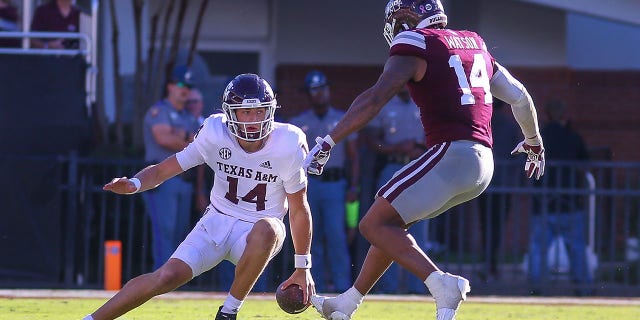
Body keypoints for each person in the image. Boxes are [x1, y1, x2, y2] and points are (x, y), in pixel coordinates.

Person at [305, 1, 545, 319]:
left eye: (396, 20)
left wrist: (329, 140)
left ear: (407, 17)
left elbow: (376, 97)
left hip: (451, 154)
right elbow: (520, 96)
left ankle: (441, 284)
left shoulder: (416, 42)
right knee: (391, 225)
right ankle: (347, 303)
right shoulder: (475, 42)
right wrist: (533, 141)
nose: (393, 28)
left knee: (372, 223)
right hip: (482, 163)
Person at [83, 73, 315, 320]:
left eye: (259, 111)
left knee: (268, 227)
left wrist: (303, 266)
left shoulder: (288, 142)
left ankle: (228, 312)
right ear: (230, 114)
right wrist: (135, 183)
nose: (253, 120)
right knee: (166, 276)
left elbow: (299, 208)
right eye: (245, 113)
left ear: (270, 111)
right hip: (217, 221)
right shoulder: (215, 133)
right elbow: (164, 168)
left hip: (258, 233)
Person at [289, 70, 360, 293]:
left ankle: (342, 288)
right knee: (311, 238)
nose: (318, 95)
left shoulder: (342, 119)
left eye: (321, 89)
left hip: (335, 184)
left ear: (328, 91)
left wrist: (353, 186)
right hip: (308, 185)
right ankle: (313, 287)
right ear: (308, 95)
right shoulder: (298, 122)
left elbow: (353, 156)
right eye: (313, 91)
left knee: (337, 236)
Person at [365, 85, 428, 294]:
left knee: (418, 229)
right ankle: (388, 288)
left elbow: (438, 136)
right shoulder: (385, 104)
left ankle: (416, 288)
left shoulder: (425, 101)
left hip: (419, 166)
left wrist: (419, 147)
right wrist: (396, 147)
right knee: (386, 226)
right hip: (392, 164)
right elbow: (373, 140)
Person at [527, 98, 592, 295]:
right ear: (564, 115)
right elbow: (584, 164)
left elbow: (529, 165)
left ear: (545, 115)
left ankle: (535, 286)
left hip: (543, 202)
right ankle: (583, 287)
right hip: (570, 201)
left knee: (538, 248)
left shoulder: (539, 138)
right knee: (577, 248)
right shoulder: (574, 137)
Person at [142, 65, 200, 271]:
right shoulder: (159, 111)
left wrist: (181, 136)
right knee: (164, 232)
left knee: (180, 234)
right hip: (162, 180)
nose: (185, 89)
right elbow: (163, 138)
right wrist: (188, 140)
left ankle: (173, 281)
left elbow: (200, 141)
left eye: (189, 86)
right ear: (170, 86)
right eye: (181, 84)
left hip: (184, 180)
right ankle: (160, 280)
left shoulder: (188, 116)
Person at [476, 98, 521, 281]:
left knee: (486, 225)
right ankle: (490, 263)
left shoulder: (482, 122)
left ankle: (488, 262)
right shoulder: (510, 126)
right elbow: (518, 153)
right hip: (503, 185)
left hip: (483, 183)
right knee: (497, 226)